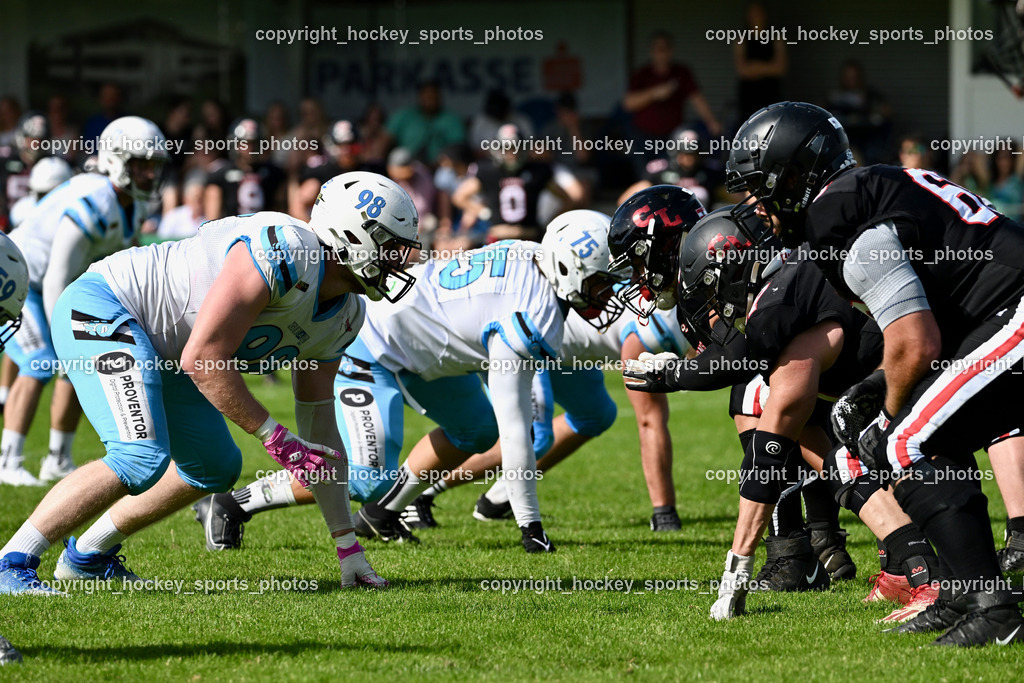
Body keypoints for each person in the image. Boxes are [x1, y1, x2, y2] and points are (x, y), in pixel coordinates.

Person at [0, 171, 419, 595]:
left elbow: (320, 429)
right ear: (350, 234)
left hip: (172, 350)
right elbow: (203, 358)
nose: (400, 261)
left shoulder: (346, 316)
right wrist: (275, 438)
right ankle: (12, 561)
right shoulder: (287, 249)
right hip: (108, 306)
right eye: (390, 246)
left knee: (214, 467)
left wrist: (348, 547)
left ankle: (88, 557)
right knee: (138, 456)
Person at [726, 100, 1024, 646]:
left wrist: (885, 415)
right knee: (927, 435)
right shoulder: (872, 189)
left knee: (903, 441)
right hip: (1001, 313)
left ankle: (995, 608)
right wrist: (879, 387)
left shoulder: (845, 221)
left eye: (761, 187)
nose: (756, 206)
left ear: (797, 176)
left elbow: (916, 342)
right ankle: (964, 592)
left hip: (1016, 312)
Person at [345, 211, 628, 552]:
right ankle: (261, 496)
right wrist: (531, 528)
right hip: (376, 340)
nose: (609, 294)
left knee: (477, 430)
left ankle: (381, 514)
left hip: (414, 338)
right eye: (602, 282)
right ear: (569, 270)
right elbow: (514, 430)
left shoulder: (532, 253)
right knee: (366, 480)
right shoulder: (533, 313)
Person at [2, 117, 165, 487]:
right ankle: (7, 460)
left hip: (50, 287)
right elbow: (57, 273)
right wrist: (64, 340)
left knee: (80, 361)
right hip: (20, 285)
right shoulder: (96, 199)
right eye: (142, 164)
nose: (150, 173)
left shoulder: (132, 203)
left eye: (155, 165)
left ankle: (57, 459)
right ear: (117, 160)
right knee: (42, 360)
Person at [452, 124, 570, 242]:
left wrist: (550, 223)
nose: (511, 153)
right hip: (498, 238)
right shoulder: (488, 171)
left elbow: (567, 200)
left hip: (529, 236)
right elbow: (459, 196)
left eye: (515, 147)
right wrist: (484, 212)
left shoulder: (537, 171)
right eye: (506, 148)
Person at [623, 32, 721, 155]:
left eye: (665, 49)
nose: (662, 53)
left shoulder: (681, 73)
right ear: (651, 51)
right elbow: (628, 103)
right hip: (643, 136)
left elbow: (696, 98)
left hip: (673, 136)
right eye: (658, 49)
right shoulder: (641, 74)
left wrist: (711, 122)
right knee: (646, 173)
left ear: (671, 51)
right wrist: (654, 93)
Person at [204, 118, 286, 220]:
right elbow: (212, 219)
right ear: (236, 144)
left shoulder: (274, 172)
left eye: (254, 143)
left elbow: (281, 212)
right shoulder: (220, 174)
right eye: (245, 143)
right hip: (231, 231)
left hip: (264, 231)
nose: (250, 148)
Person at [385, 81, 465, 165]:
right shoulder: (405, 115)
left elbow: (458, 148)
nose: (429, 99)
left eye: (432, 96)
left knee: (445, 174)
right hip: (407, 166)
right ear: (419, 97)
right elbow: (385, 138)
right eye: (426, 96)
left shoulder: (451, 119)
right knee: (399, 155)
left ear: (439, 97)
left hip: (440, 167)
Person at [733, 2, 787, 119]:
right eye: (752, 14)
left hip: (771, 94)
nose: (755, 18)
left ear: (765, 15)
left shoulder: (775, 37)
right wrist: (768, 67)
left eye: (758, 14)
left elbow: (780, 68)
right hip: (748, 97)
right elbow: (742, 70)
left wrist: (754, 66)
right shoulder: (741, 38)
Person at [0, 111, 49, 232]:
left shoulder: (51, 163)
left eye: (40, 139)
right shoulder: (6, 159)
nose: (36, 144)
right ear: (22, 136)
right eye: (31, 139)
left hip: (41, 228)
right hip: (8, 226)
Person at [9, 156, 73, 229]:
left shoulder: (75, 213)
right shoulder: (22, 213)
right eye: (44, 194)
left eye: (54, 193)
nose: (51, 199)